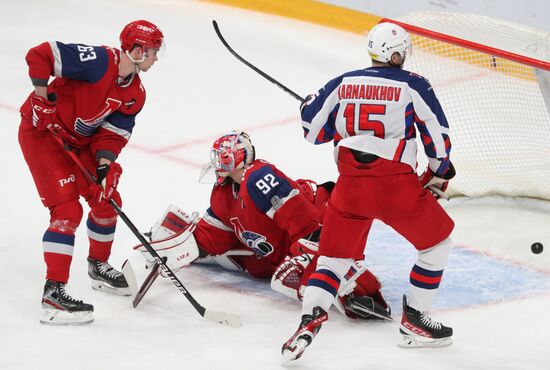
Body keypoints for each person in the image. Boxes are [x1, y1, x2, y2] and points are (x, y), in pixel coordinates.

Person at [281, 22, 456, 362]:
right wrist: (439, 170)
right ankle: (415, 322)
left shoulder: (343, 82)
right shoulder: (412, 84)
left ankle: (309, 319)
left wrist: (307, 106)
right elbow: (437, 134)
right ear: (395, 54)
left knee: (332, 261)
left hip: (350, 188)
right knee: (437, 245)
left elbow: (312, 132)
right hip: (395, 187)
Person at [133, 131, 391, 321]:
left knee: (287, 278)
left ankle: (352, 285)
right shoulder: (223, 192)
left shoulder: (258, 177)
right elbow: (209, 239)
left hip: (325, 223)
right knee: (248, 263)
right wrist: (171, 251)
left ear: (234, 158)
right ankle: (169, 229)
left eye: (221, 158)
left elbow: (309, 227)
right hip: (278, 249)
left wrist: (301, 259)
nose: (217, 164)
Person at [18, 20, 165, 325]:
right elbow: (40, 54)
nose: (155, 58)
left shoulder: (135, 93)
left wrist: (104, 165)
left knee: (107, 201)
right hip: (44, 135)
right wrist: (41, 96)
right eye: (152, 52)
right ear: (136, 50)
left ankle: (98, 265)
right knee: (67, 212)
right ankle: (53, 294)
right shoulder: (98, 61)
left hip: (78, 142)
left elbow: (114, 132)